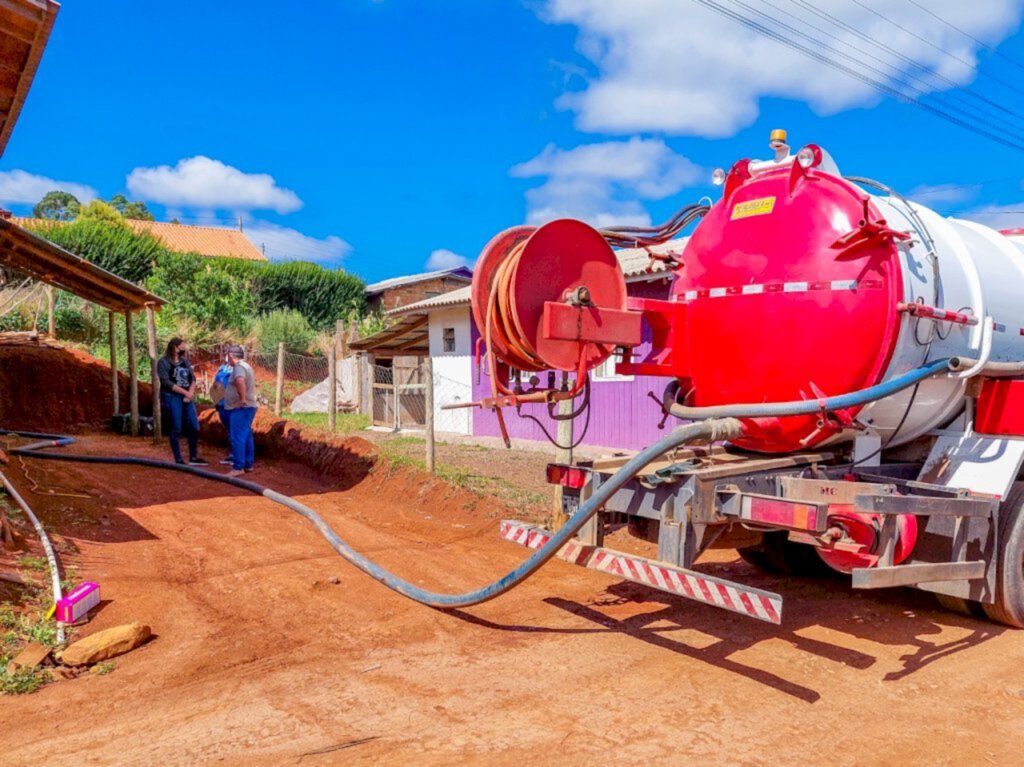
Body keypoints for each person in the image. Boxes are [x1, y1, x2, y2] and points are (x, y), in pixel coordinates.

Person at [157, 337, 207, 466]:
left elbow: (193, 378)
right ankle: (178, 459)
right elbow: (166, 382)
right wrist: (185, 393)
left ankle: (193, 456)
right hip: (172, 396)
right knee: (176, 427)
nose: (184, 348)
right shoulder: (163, 362)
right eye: (182, 346)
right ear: (175, 347)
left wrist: (190, 392)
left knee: (194, 426)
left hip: (186, 397)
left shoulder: (185, 362)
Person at [223, 344, 258, 477]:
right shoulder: (247, 366)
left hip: (242, 407)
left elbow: (239, 381)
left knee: (237, 436)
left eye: (227, 356)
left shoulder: (239, 367)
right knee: (246, 435)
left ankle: (238, 467)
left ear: (231, 356)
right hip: (249, 407)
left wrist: (242, 399)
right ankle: (248, 464)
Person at [211, 354, 235, 465]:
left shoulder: (239, 370)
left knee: (234, 429)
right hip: (221, 404)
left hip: (232, 404)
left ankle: (238, 455)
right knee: (229, 429)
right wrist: (215, 401)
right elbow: (216, 386)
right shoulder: (221, 369)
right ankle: (232, 455)